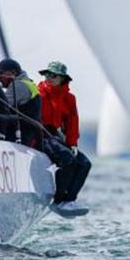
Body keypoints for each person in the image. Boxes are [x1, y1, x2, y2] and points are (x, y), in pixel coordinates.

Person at [37, 61, 91, 217]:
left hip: (56, 136)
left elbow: (72, 122)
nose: (49, 78)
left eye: (53, 75)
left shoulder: (69, 98)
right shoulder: (39, 93)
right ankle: (59, 200)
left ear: (62, 78)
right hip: (42, 134)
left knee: (85, 164)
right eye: (47, 74)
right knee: (67, 159)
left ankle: (69, 201)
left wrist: (72, 143)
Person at [0, 58, 42, 148]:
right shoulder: (28, 83)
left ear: (13, 73)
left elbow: (2, 105)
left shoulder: (18, 85)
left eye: (1, 74)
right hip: (31, 132)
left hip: (22, 133)